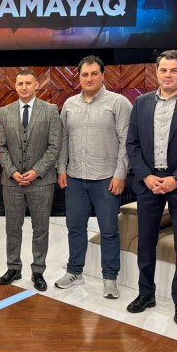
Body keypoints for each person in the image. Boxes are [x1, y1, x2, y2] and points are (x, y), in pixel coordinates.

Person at [125, 49, 177, 326]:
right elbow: (132, 144)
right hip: (148, 183)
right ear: (157, 71)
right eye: (163, 70)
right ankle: (145, 294)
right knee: (146, 242)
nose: (168, 75)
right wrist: (145, 175)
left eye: (174, 70)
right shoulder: (141, 103)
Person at [55, 56, 132, 298]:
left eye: (94, 74)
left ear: (103, 75)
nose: (89, 78)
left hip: (106, 178)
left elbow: (126, 141)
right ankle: (74, 271)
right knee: (75, 227)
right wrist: (61, 168)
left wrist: (120, 174)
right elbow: (63, 139)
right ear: (79, 77)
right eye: (84, 74)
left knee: (109, 230)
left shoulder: (118, 103)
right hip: (75, 177)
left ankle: (110, 278)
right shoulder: (69, 104)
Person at [0, 69, 62, 292]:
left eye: (28, 83)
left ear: (36, 85)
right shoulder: (4, 112)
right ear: (15, 86)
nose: (24, 87)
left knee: (40, 228)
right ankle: (13, 267)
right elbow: (1, 147)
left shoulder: (50, 110)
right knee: (12, 227)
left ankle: (38, 270)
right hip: (12, 182)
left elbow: (54, 146)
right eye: (20, 83)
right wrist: (12, 171)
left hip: (41, 182)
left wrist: (36, 171)